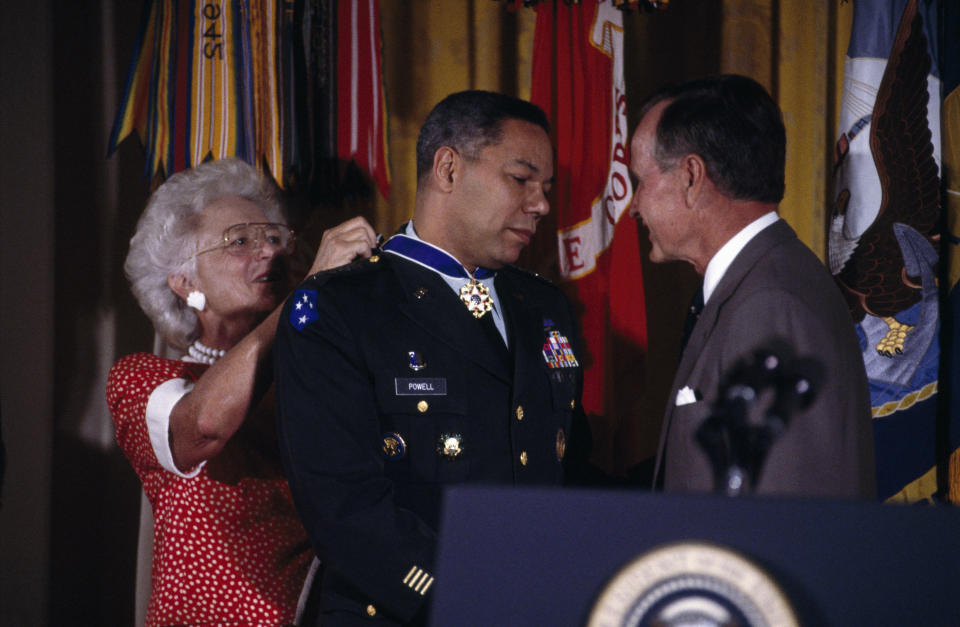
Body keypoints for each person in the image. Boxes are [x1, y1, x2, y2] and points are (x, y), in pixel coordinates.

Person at [274, 90, 590, 625]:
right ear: (448, 168)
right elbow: (344, 511)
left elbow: (569, 474)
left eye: (546, 189)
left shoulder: (545, 307)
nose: (541, 205)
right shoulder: (341, 308)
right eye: (521, 179)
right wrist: (471, 597)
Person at [106, 158, 377, 626]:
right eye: (240, 241)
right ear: (184, 281)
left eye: (274, 237)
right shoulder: (141, 377)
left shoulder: (327, 376)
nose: (269, 251)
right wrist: (309, 292)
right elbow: (203, 426)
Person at [628, 74, 875, 498]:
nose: (633, 207)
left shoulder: (770, 306)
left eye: (640, 181)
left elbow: (776, 512)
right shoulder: (761, 281)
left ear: (690, 176)